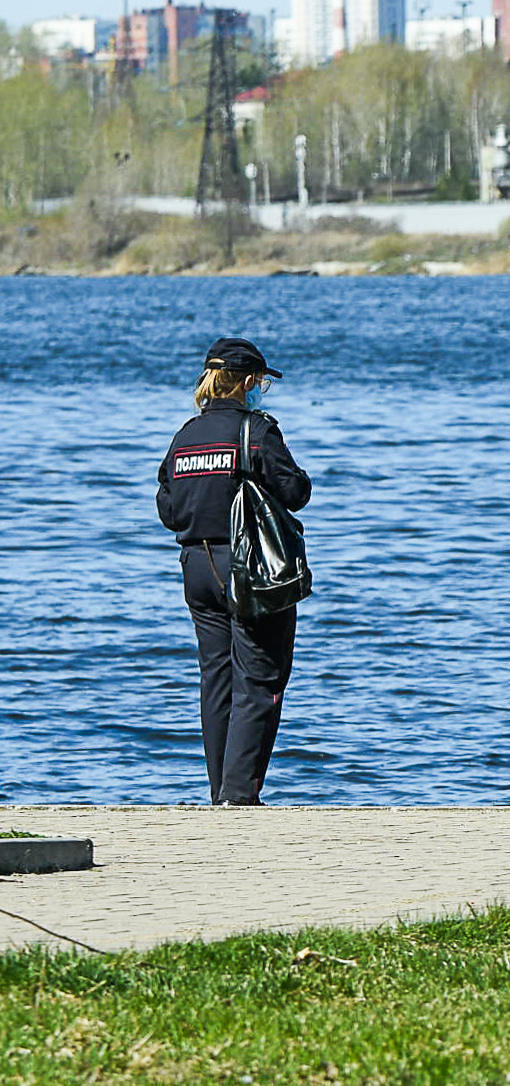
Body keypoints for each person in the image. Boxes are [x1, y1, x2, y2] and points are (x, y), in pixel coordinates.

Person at [155, 337, 311, 806]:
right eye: (261, 381)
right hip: (252, 569)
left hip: (197, 568)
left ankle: (219, 790)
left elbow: (167, 507)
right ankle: (240, 798)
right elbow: (295, 491)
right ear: (245, 382)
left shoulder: (184, 436)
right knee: (260, 679)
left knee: (216, 677)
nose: (261, 389)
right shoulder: (256, 431)